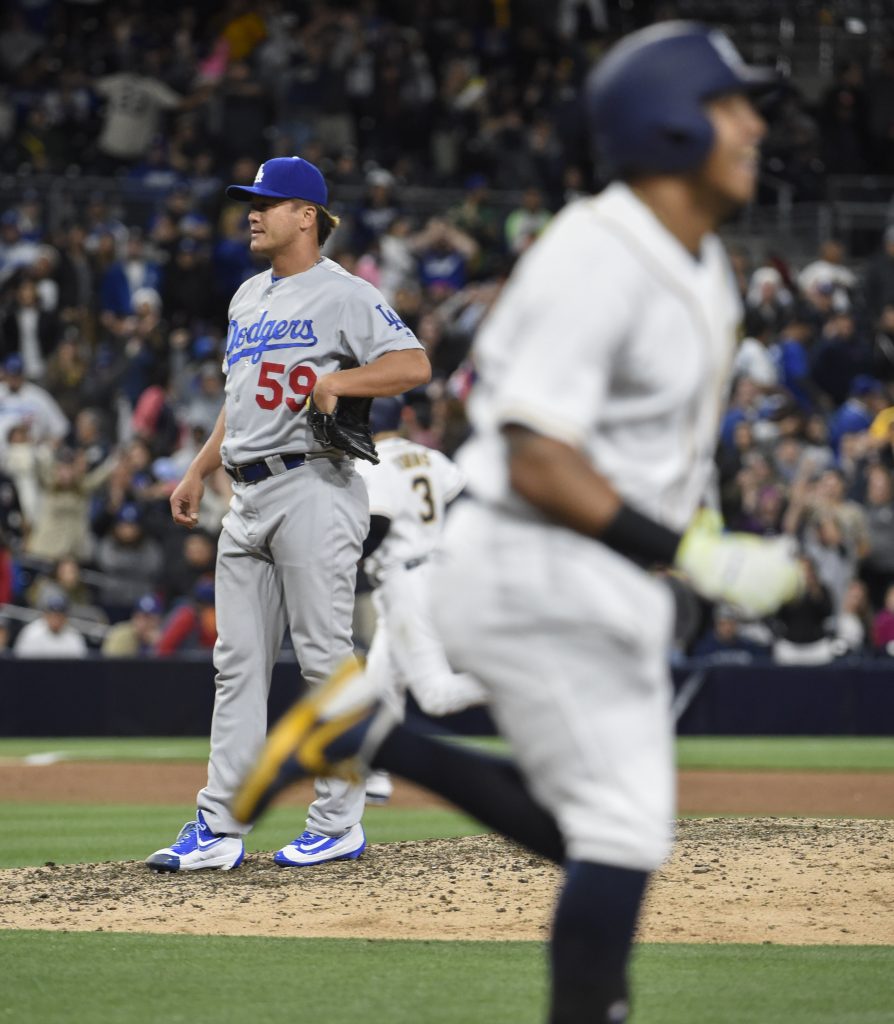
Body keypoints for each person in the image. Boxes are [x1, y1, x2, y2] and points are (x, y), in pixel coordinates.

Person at [234, 24, 806, 1024]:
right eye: (730, 105)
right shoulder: (602, 250)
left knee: (613, 835)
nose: (754, 124)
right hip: (533, 561)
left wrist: (695, 531)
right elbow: (539, 453)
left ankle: (372, 734)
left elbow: (651, 450)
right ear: (669, 126)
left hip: (595, 568)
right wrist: (697, 554)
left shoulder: (702, 268)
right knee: (620, 835)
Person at [145, 155, 430, 873]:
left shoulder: (346, 295)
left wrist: (341, 379)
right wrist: (199, 468)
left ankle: (339, 822)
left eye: (267, 202)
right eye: (251, 201)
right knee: (235, 665)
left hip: (314, 486)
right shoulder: (246, 298)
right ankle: (220, 826)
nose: (252, 211)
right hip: (245, 489)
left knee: (324, 660)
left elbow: (414, 366)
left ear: (307, 215)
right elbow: (238, 399)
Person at [354, 397, 487, 804]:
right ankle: (374, 775)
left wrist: (343, 563)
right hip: (437, 570)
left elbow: (378, 523)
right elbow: (466, 498)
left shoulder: (371, 461)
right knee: (380, 679)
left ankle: (516, 679)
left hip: (407, 579)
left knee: (435, 695)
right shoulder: (428, 456)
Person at [13, 588, 88, 658]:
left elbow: (81, 666)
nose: (56, 619)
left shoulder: (74, 637)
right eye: (52, 615)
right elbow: (20, 664)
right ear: (45, 615)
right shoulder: (31, 633)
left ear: (66, 618)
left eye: (59, 616)